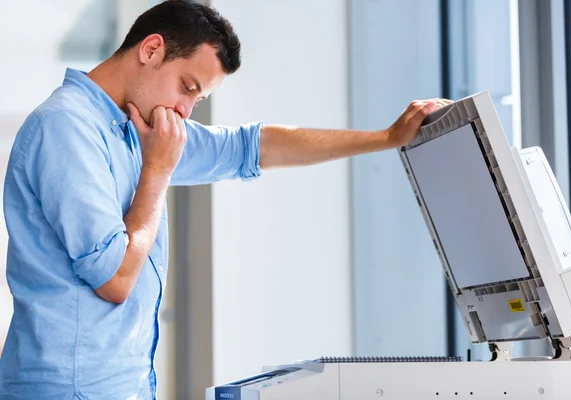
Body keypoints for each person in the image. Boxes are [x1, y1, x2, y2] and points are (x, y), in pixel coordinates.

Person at [0, 0, 449, 398]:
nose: (186, 110)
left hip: (126, 385)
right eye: (188, 87)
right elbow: (115, 279)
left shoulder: (138, 129)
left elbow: (251, 147)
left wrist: (387, 138)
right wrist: (159, 170)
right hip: (67, 389)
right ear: (151, 49)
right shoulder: (67, 128)